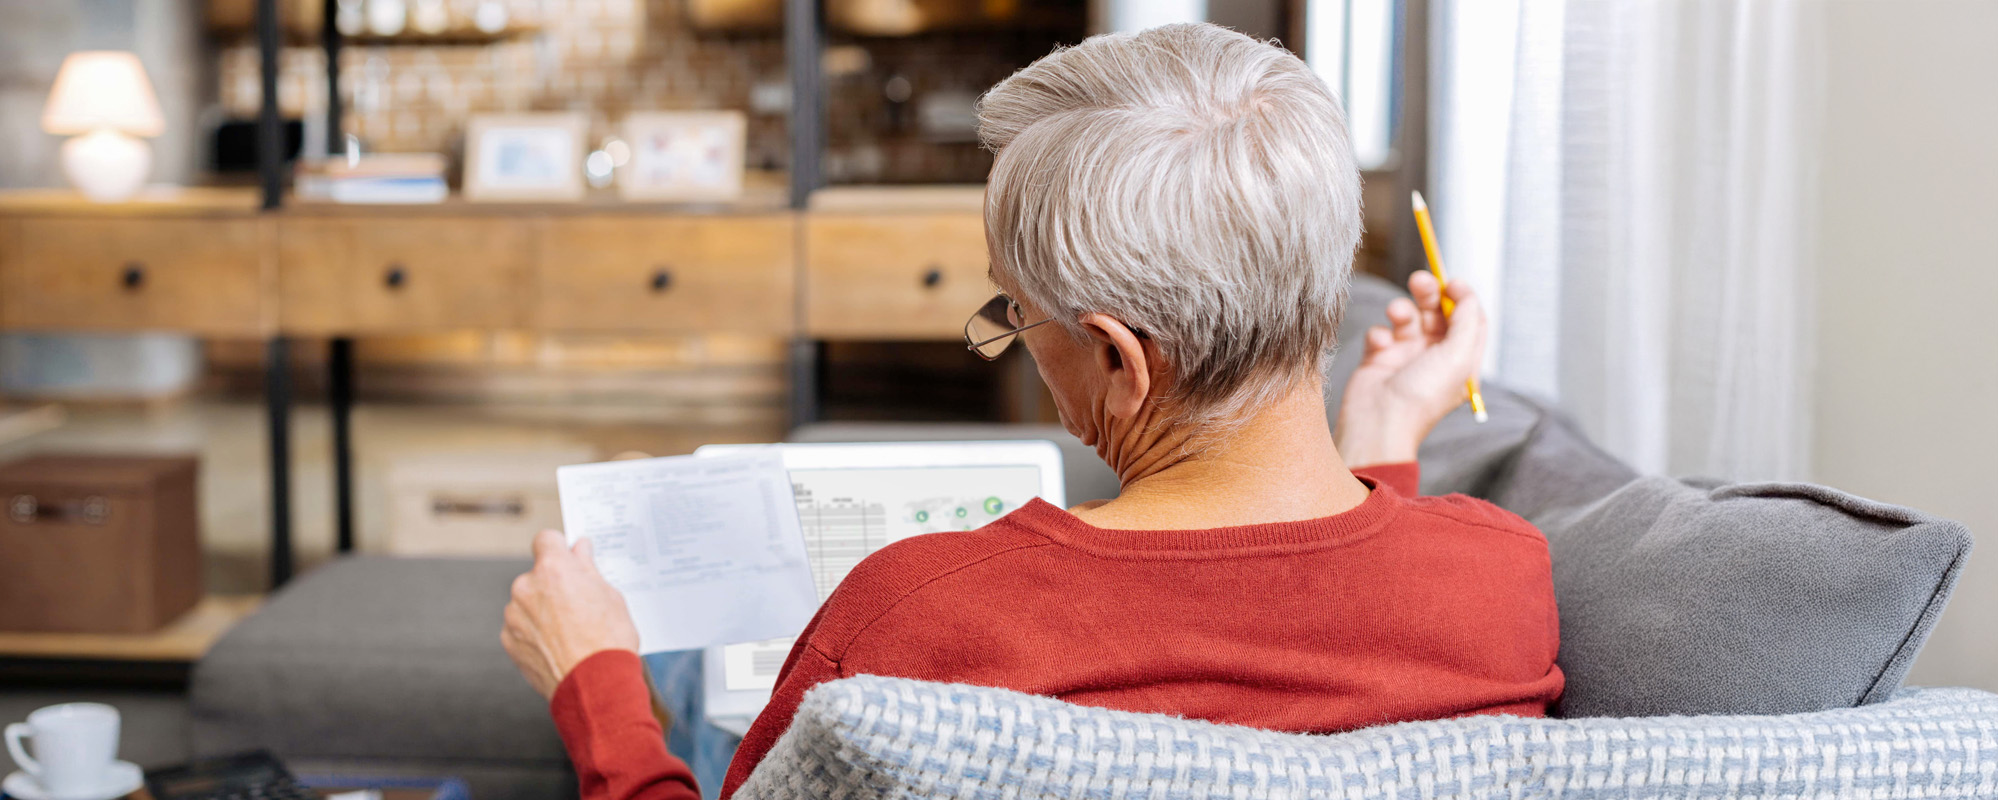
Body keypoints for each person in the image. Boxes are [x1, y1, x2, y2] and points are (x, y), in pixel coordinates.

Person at [501, 22, 1562, 800]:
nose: (1010, 328)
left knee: (659, 646)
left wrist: (593, 680)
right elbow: (1332, 647)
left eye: (1013, 308)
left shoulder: (916, 618)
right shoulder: (1500, 577)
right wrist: (1377, 444)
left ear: (1115, 356)